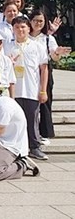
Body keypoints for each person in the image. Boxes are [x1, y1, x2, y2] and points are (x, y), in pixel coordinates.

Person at [4, 16, 49, 160]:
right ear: (13, 29)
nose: (20, 30)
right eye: (17, 27)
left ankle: (34, 147)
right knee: (14, 122)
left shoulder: (37, 46)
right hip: (13, 91)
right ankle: (15, 149)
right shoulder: (7, 46)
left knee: (32, 119)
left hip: (31, 90)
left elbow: (44, 69)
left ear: (28, 28)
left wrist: (43, 90)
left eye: (23, 27)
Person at [29, 9, 72, 143]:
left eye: (41, 21)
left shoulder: (48, 38)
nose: (38, 23)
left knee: (45, 102)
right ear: (30, 21)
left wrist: (57, 52)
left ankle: (45, 133)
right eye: (35, 20)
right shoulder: (25, 35)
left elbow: (54, 57)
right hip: (28, 73)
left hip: (44, 72)